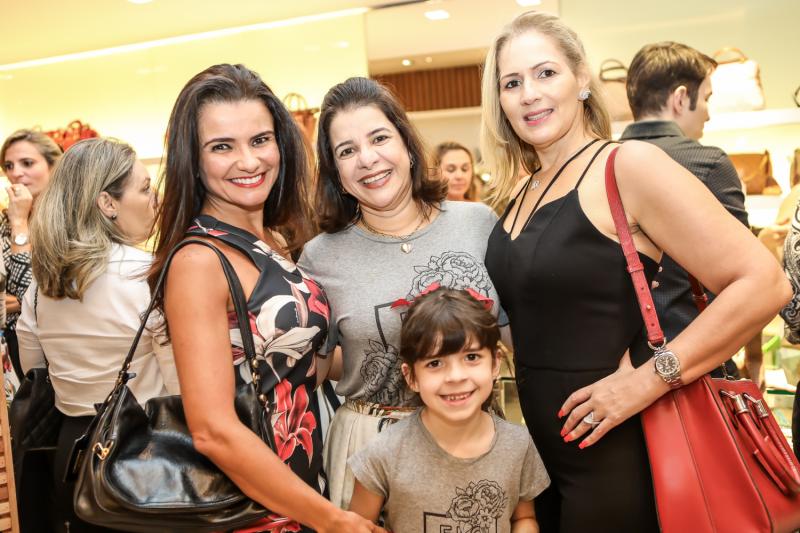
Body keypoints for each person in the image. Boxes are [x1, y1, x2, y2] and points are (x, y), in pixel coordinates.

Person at [481, 11, 790, 532]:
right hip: (543, 458)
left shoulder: (627, 166)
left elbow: (765, 283)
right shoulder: (522, 190)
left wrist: (649, 380)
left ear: (582, 78)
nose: (529, 94)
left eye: (545, 73)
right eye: (512, 83)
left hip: (619, 453)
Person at [148, 64, 385, 533]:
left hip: (299, 487)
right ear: (192, 159)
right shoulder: (199, 260)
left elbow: (295, 367)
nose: (249, 161)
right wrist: (332, 521)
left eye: (260, 140)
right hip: (255, 509)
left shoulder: (271, 240)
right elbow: (212, 430)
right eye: (222, 147)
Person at [298, 76, 506, 510]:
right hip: (372, 452)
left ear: (407, 145)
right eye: (347, 151)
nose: (367, 159)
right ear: (336, 173)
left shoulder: (477, 224)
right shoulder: (320, 257)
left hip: (478, 437)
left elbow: (515, 335)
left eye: (379, 138)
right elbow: (311, 370)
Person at [16, 137, 177, 532]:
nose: (155, 198)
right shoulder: (151, 276)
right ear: (107, 203)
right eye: (144, 188)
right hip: (148, 452)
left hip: (73, 454)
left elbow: (33, 369)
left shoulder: (41, 283)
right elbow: (180, 386)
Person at [348, 286, 549, 533]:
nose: (455, 376)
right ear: (411, 377)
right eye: (435, 363)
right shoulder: (382, 453)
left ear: (495, 363)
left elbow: (523, 518)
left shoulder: (518, 444)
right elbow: (355, 528)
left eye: (471, 357)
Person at [620, 41, 750, 380]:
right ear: (680, 98)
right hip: (692, 366)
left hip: (617, 371)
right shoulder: (707, 163)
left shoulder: (599, 166)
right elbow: (746, 283)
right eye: (706, 98)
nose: (708, 112)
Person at [1, 129, 62, 380]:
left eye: (27, 163)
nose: (16, 173)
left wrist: (19, 221)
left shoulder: (66, 222)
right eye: (9, 166)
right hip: (12, 346)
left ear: (52, 167)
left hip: (56, 341)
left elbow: (27, 294)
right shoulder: (2, 223)